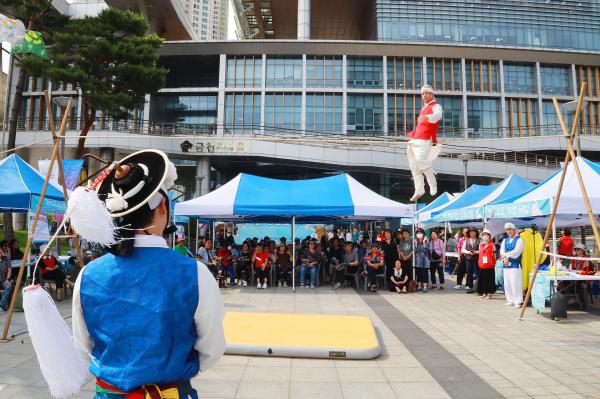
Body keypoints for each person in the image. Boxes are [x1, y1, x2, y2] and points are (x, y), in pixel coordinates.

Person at [72, 149, 225, 397]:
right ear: (163, 205)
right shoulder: (195, 272)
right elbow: (212, 349)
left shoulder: (88, 275)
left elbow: (83, 348)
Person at [406, 84, 443, 201]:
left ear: (432, 94)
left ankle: (432, 183)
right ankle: (419, 189)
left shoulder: (436, 106)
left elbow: (438, 116)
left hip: (425, 139)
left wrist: (427, 117)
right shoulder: (423, 108)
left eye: (426, 93)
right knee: (414, 166)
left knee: (421, 161)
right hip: (416, 138)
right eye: (422, 93)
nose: (424, 95)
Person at [499, 223, 525, 307]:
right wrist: (504, 258)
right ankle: (510, 300)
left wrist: (506, 256)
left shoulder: (519, 240)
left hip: (515, 265)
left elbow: (517, 252)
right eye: (507, 230)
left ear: (514, 230)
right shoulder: (504, 240)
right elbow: (502, 251)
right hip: (506, 264)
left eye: (510, 229)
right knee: (507, 283)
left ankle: (518, 301)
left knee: (515, 283)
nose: (508, 231)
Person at [477, 229, 496, 300]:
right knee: (483, 279)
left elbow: (494, 254)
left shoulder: (492, 245)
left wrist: (494, 262)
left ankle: (489, 293)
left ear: (489, 236)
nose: (485, 237)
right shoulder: (480, 244)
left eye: (486, 235)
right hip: (482, 264)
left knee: (489, 279)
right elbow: (480, 253)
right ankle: (484, 292)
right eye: (484, 235)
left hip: (490, 265)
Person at [462, 228, 480, 294]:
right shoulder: (466, 240)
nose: (472, 233)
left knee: (477, 273)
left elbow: (481, 250)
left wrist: (476, 252)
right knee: (469, 273)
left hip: (477, 259)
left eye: (473, 232)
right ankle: (469, 286)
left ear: (476, 233)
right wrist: (468, 252)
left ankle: (478, 287)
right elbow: (463, 250)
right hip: (468, 259)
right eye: (470, 232)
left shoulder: (479, 240)